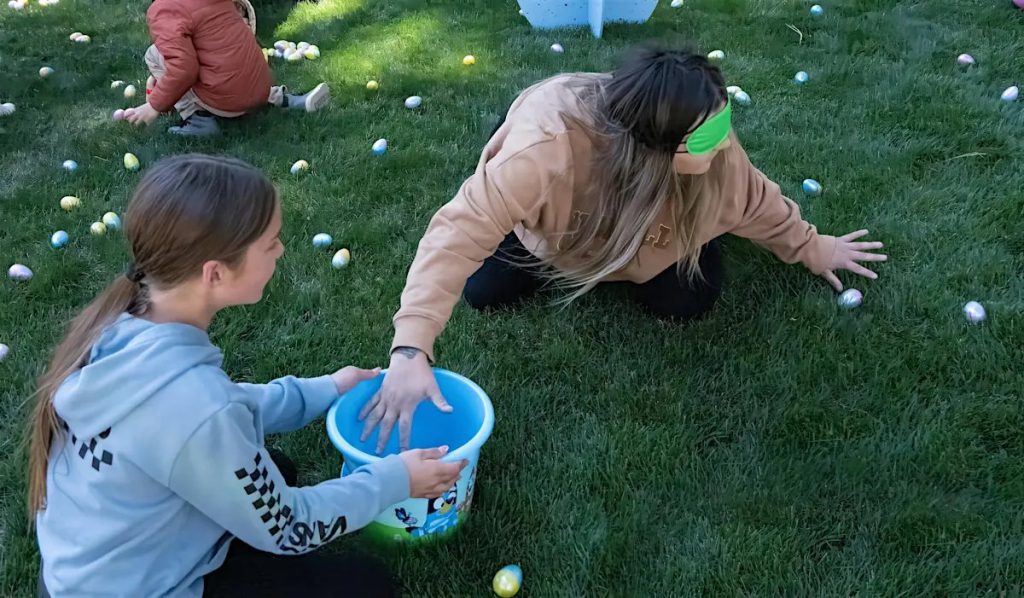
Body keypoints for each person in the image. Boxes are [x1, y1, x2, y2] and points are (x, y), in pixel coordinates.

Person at [358, 45, 888, 452]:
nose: (726, 141)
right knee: (484, 291)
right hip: (555, 234)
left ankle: (679, 239)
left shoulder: (718, 159)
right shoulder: (547, 149)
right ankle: (546, 237)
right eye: (708, 137)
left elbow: (758, 201)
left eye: (725, 123)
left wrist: (814, 247)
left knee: (687, 301)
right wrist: (410, 350)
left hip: (659, 234)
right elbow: (457, 232)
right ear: (656, 144)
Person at [29, 155, 466, 597]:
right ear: (215, 273)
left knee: (276, 470)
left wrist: (328, 389)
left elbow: (215, 410)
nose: (281, 250)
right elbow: (290, 527)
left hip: (99, 565)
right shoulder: (197, 406)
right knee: (368, 587)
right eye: (271, 243)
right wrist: (396, 480)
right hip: (141, 588)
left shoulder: (125, 324)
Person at [124, 0, 330, 136]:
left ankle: (197, 119)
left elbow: (183, 69)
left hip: (228, 100)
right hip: (261, 84)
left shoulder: (164, 9)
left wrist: (155, 105)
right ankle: (283, 98)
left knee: (154, 53)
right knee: (223, 52)